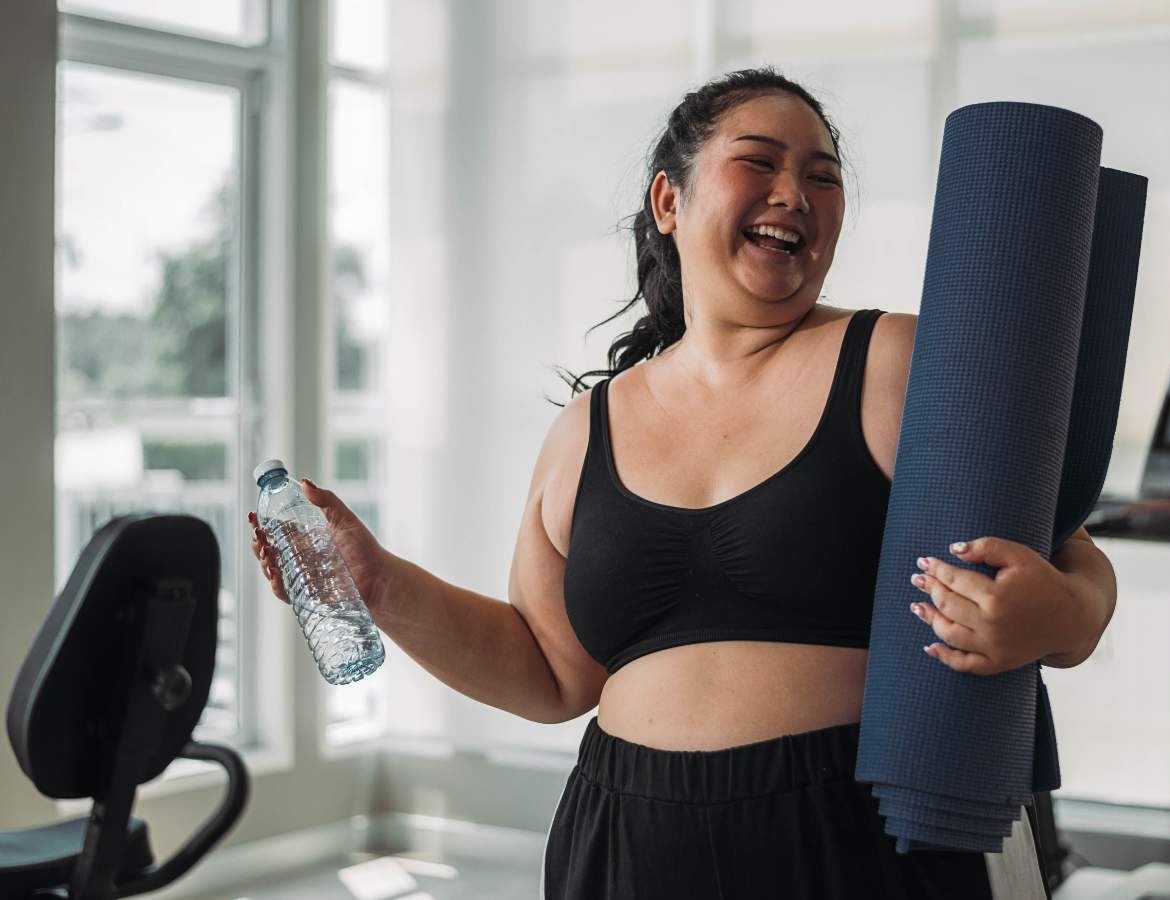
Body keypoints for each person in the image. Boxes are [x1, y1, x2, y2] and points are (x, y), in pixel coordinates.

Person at [249, 66, 1116, 899]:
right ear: (671, 200)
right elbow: (550, 676)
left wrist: (1063, 616)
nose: (795, 192)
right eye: (759, 161)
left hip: (856, 834)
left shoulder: (897, 361)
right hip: (623, 842)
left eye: (823, 176)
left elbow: (1072, 557)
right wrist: (376, 582)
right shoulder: (586, 429)